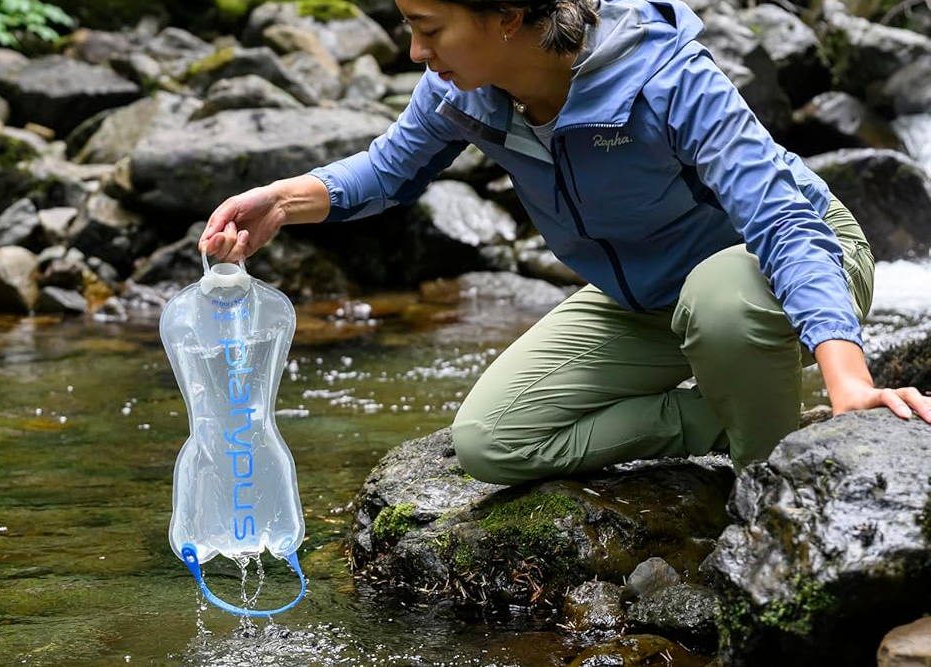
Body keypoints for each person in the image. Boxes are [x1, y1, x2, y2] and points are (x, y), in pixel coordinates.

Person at [199, 0, 931, 484]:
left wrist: (848, 379)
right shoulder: (459, 90)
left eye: (430, 28)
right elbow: (388, 170)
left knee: (719, 301)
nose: (417, 51)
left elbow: (781, 221)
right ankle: (733, 419)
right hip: (646, 299)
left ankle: (769, 479)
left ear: (508, 16)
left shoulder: (664, 75)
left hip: (794, 264)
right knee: (490, 441)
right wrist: (280, 203)